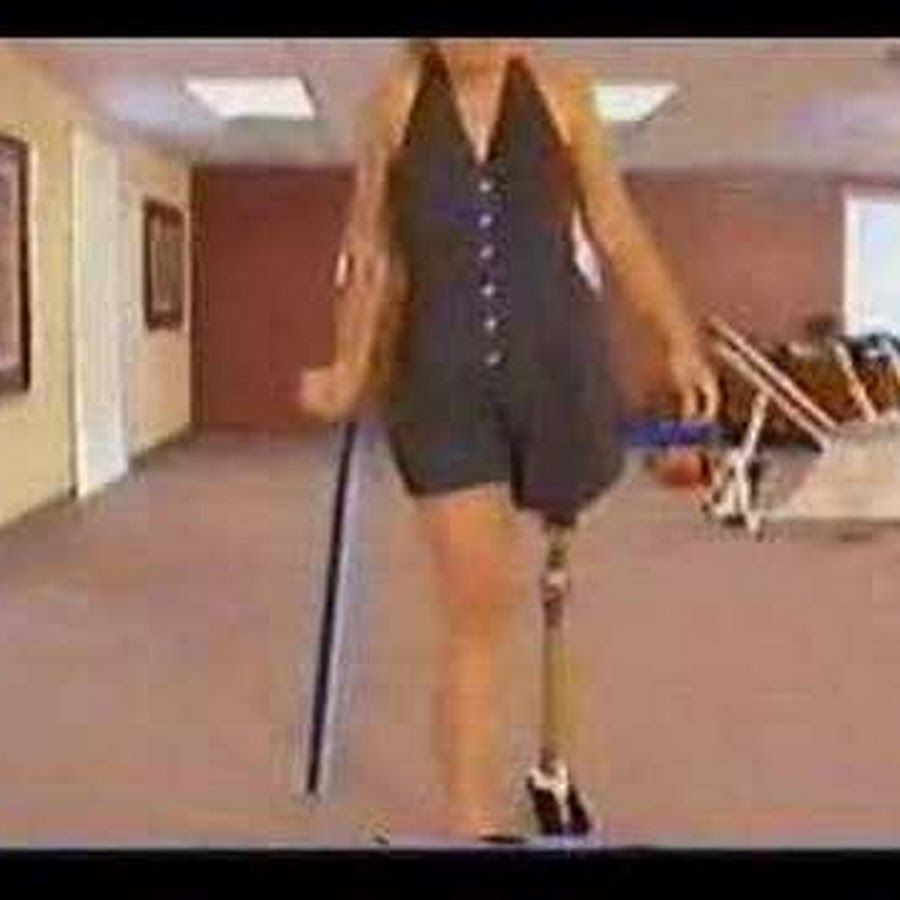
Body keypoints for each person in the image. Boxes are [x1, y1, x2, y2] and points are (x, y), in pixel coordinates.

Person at [299, 38, 719, 839]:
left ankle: (553, 753)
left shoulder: (564, 94)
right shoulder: (392, 105)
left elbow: (614, 226)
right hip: (442, 388)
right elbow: (372, 250)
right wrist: (349, 368)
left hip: (559, 374)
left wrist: (677, 339)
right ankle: (474, 826)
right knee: (478, 614)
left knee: (551, 582)